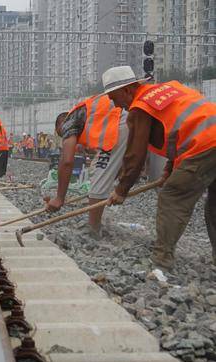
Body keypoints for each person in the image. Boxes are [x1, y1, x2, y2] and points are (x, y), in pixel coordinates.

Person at [101, 65, 216, 269]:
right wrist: (168, 170)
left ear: (127, 90)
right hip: (207, 140)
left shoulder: (140, 107)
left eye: (113, 98)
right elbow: (180, 131)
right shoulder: (168, 90)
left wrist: (121, 190)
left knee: (173, 195)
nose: (116, 105)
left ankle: (162, 258)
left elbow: (135, 155)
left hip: (206, 146)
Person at [46, 95, 126, 235]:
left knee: (98, 173)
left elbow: (67, 161)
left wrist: (59, 198)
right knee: (99, 170)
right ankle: (98, 210)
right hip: (126, 118)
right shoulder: (86, 116)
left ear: (59, 126)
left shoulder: (68, 123)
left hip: (120, 122)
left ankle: (93, 229)